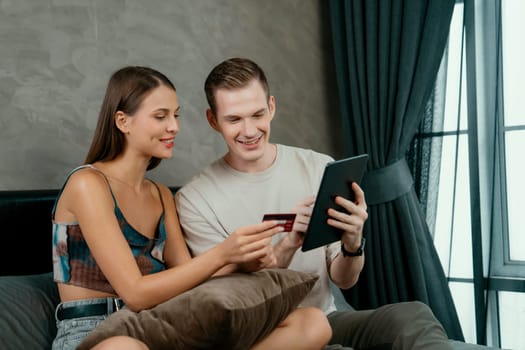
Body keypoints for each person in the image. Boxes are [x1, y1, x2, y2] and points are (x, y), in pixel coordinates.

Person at [175, 57, 454, 350]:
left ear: (271, 107)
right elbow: (230, 301)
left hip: (327, 319)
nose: (249, 130)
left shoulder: (318, 167)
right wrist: (287, 245)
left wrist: (352, 242)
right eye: (234, 119)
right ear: (213, 120)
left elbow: (344, 280)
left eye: (257, 114)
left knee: (412, 316)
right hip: (265, 335)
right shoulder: (195, 199)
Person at [50, 65, 332, 350]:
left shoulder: (161, 196)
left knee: (312, 322)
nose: (174, 126)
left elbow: (191, 278)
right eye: (161, 116)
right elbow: (135, 293)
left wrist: (239, 260)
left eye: (175, 115)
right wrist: (223, 253)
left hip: (156, 323)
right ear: (123, 121)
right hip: (95, 331)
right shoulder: (87, 184)